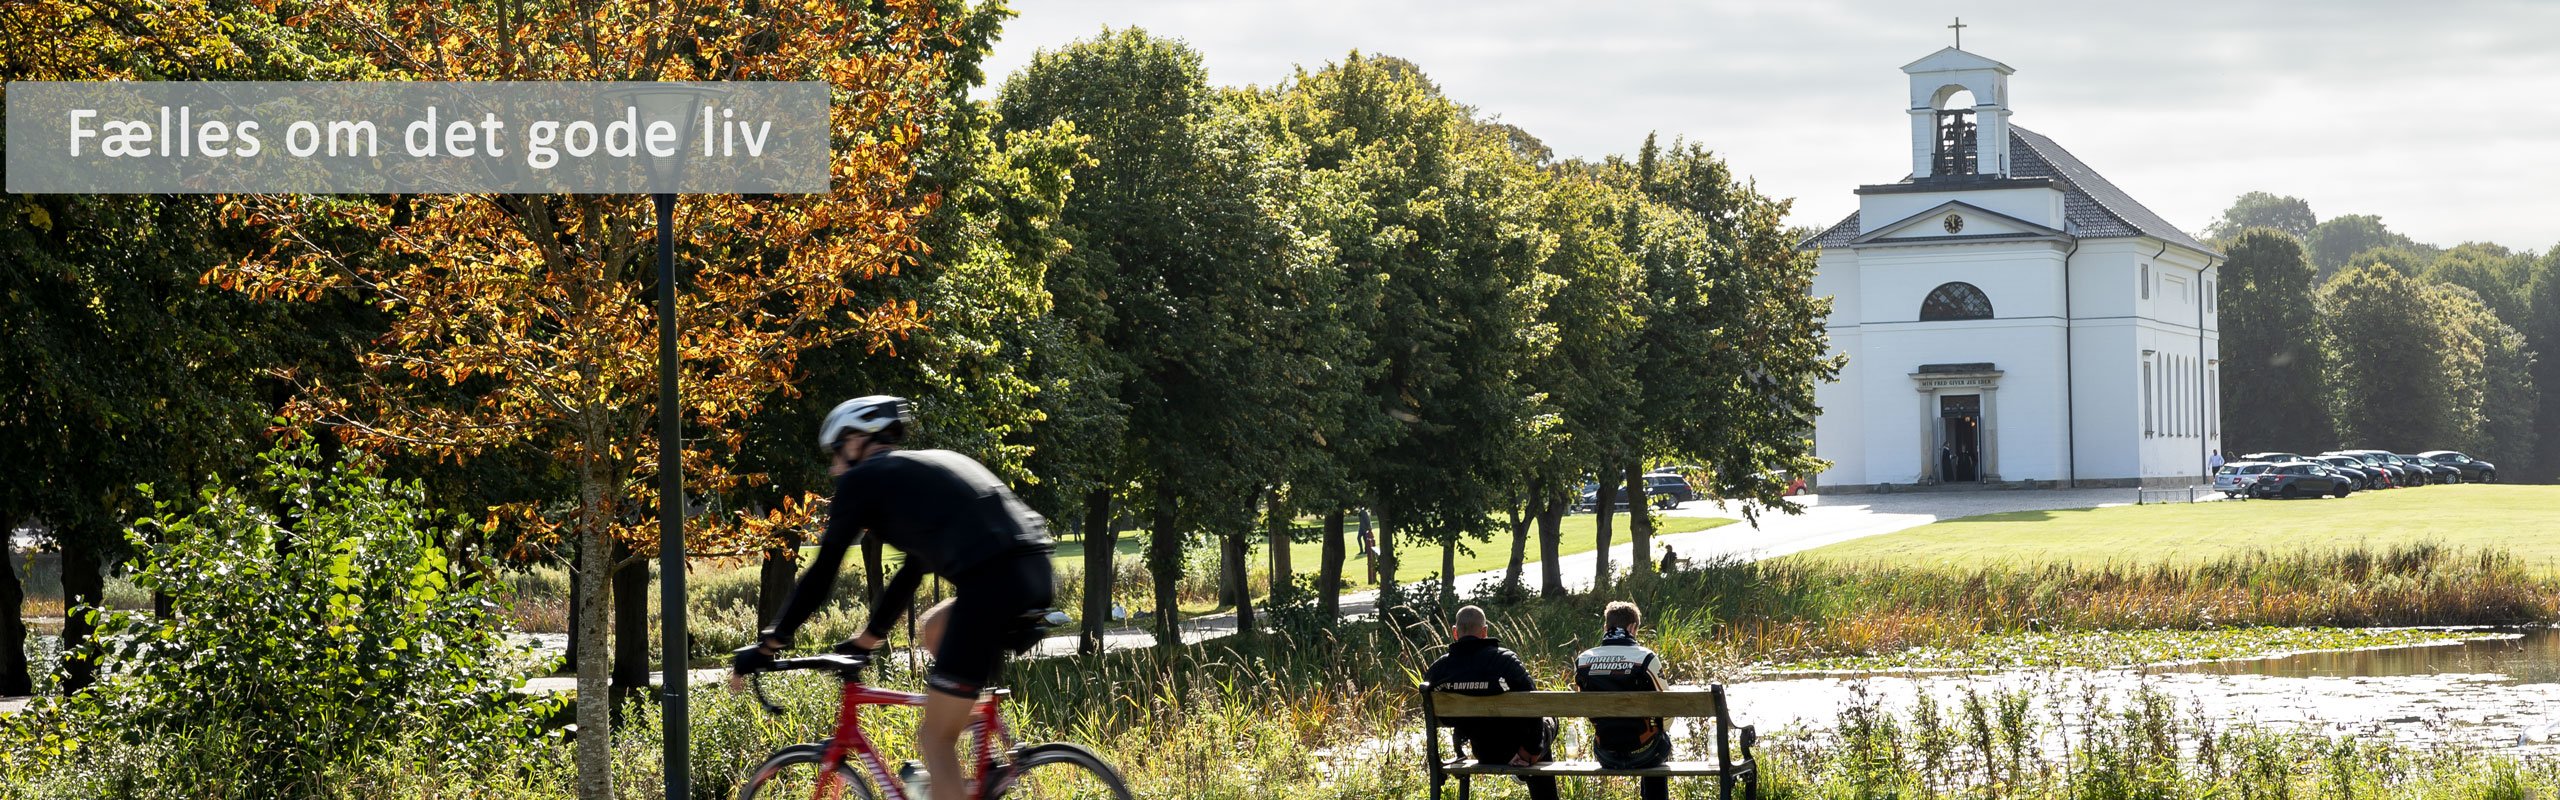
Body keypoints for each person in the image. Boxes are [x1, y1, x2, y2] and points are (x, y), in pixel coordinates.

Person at [730, 395, 1057, 800]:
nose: (834, 467)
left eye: (836, 452)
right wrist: (868, 640)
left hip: (991, 585)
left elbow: (823, 570)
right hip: (1032, 572)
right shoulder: (913, 477)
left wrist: (770, 643)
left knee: (934, 740)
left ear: (855, 442)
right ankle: (981, 757)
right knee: (934, 628)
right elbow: (910, 572)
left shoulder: (864, 480)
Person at [1423, 605, 1559, 800]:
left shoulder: (1439, 670)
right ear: (1485, 632)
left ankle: (1527, 762)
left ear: (1455, 632)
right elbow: (1533, 703)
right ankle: (1530, 771)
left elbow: (1437, 714)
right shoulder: (1505, 660)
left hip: (1484, 752)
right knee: (1550, 719)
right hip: (1517, 750)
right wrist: (1530, 750)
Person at [1575, 601, 1670, 800]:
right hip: (1645, 753)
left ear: (1605, 628)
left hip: (1605, 752)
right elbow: (1666, 710)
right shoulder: (1646, 658)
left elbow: (1587, 710)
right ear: (1633, 627)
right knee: (1660, 737)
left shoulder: (1583, 661)